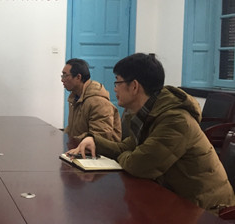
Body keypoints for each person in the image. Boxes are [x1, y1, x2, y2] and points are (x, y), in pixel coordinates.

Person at [67, 53, 235, 213]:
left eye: (117, 82)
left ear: (134, 86)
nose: (115, 89)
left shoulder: (175, 120)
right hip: (175, 199)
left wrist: (128, 155)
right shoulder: (147, 114)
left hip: (207, 210)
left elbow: (139, 166)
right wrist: (93, 140)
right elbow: (127, 148)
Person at [62, 58, 121, 142]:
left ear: (78, 77)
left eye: (65, 76)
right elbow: (72, 129)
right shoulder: (74, 98)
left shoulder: (98, 102)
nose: (62, 80)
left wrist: (74, 141)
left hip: (98, 149)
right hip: (80, 146)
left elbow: (100, 137)